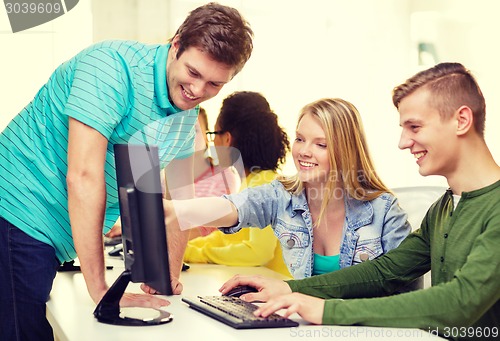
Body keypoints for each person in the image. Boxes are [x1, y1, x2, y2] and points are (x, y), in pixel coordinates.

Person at [0, 3, 253, 340]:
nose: (197, 91)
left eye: (213, 84)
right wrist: (99, 287)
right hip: (16, 208)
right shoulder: (111, 68)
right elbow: (83, 176)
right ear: (176, 43)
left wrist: (165, 278)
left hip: (50, 238)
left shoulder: (184, 118)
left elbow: (178, 202)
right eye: (193, 73)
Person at [219, 63, 500, 340]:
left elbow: (460, 303)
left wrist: (327, 310)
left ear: (462, 121)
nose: (403, 142)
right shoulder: (444, 207)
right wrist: (290, 289)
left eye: (414, 127)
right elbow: (385, 270)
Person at [167, 97, 411, 282]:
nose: (304, 151)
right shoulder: (282, 195)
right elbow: (234, 206)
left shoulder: (385, 212)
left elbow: (402, 295)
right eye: (300, 139)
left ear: (346, 150)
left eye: (320, 144)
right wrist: (175, 209)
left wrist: (295, 294)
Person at [183, 91, 292, 277]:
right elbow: (226, 237)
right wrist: (184, 248)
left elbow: (258, 252)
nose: (212, 143)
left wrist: (197, 253)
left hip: (277, 292)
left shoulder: (263, 185)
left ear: (227, 139)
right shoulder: (252, 182)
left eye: (213, 134)